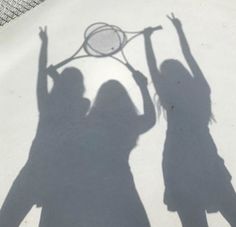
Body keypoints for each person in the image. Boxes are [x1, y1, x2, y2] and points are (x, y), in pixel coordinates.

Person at [144, 13, 236, 227]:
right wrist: (179, 30)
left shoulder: (169, 97)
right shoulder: (201, 91)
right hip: (206, 158)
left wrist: (147, 40)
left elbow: (153, 69)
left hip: (179, 164)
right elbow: (190, 57)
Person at [0, 27, 90, 227]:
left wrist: (45, 46)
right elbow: (47, 80)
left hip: (35, 172)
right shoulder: (81, 106)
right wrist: (56, 74)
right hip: (58, 179)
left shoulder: (48, 106)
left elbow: (41, 74)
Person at [70, 70, 156, 227]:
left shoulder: (90, 122)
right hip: (121, 183)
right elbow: (150, 119)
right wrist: (143, 87)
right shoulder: (127, 123)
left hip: (92, 185)